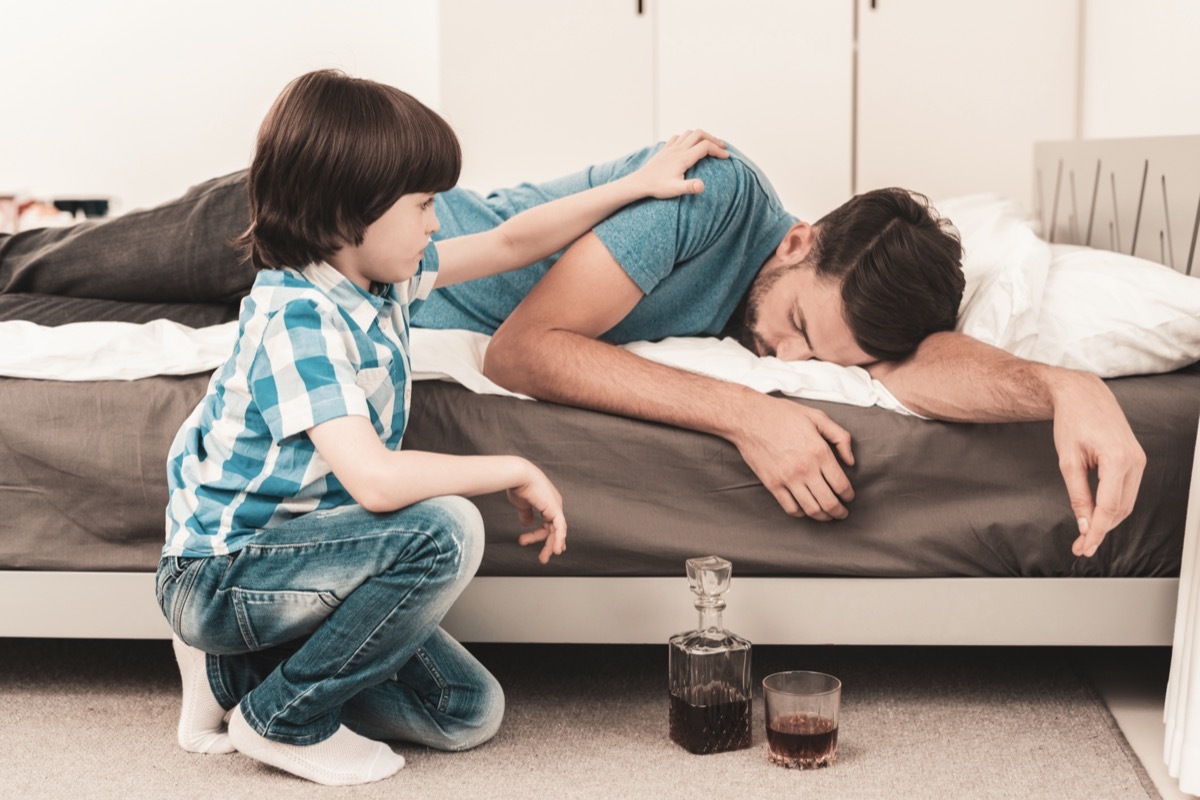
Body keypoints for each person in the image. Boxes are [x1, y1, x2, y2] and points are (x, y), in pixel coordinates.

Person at [0, 131, 1143, 562]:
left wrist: (1065, 384)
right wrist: (747, 410)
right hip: (308, 222)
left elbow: (920, 365)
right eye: (793, 325)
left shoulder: (859, 310)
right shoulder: (717, 193)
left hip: (370, 293)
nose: (779, 348)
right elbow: (525, 351)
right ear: (798, 241)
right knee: (39, 272)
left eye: (817, 359)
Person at [155, 69, 728, 786]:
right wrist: (514, 467)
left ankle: (235, 678)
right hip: (224, 578)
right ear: (344, 216)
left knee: (467, 711)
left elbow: (510, 243)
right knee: (447, 528)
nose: (435, 222)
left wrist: (635, 185)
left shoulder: (379, 280)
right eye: (424, 204)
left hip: (310, 564)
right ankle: (284, 719)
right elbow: (374, 477)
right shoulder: (296, 318)